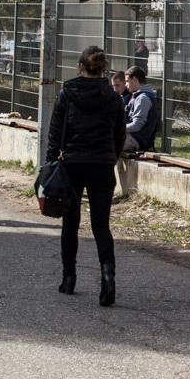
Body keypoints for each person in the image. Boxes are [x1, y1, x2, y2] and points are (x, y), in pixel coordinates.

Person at [46, 46, 128, 305]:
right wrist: (111, 156)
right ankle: (108, 277)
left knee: (70, 223)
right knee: (101, 226)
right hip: (102, 164)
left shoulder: (67, 93)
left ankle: (68, 277)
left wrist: (50, 160)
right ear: (103, 68)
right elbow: (120, 133)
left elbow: (55, 129)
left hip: (72, 163)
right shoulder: (113, 96)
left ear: (80, 66)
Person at [120, 65, 159, 202]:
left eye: (126, 81)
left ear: (135, 79)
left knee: (104, 143)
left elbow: (137, 125)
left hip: (137, 139)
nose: (125, 85)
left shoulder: (143, 98)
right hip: (133, 137)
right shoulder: (136, 96)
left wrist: (117, 129)